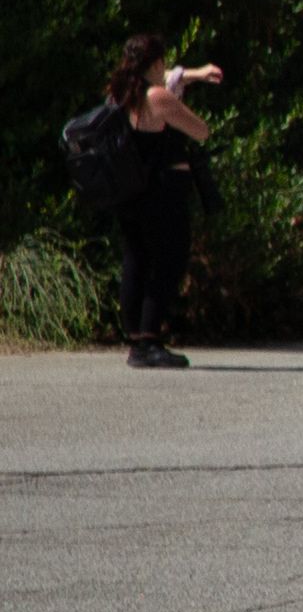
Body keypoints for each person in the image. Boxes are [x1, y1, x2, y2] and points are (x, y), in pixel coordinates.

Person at [90, 35, 214, 366]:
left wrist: (193, 75)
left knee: (136, 260)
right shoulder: (157, 96)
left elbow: (170, 77)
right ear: (155, 64)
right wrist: (180, 96)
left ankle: (136, 341)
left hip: (129, 192)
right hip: (163, 191)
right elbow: (200, 130)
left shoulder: (118, 93)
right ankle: (151, 338)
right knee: (168, 261)